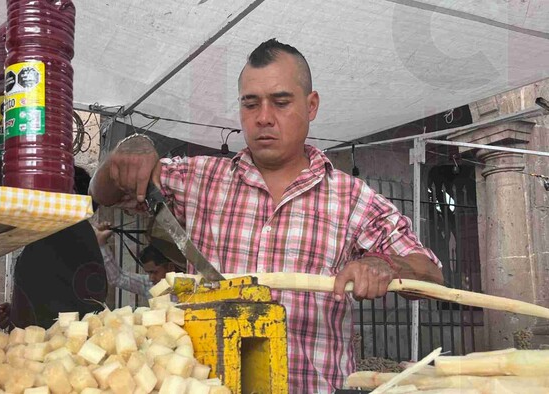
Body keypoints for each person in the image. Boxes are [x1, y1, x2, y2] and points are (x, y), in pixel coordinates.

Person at [90, 38, 444, 392]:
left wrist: (388, 266)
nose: (263, 118)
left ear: (312, 105)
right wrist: (129, 149)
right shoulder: (199, 180)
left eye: (281, 102)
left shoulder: (353, 199)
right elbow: (103, 193)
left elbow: (431, 276)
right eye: (250, 103)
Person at [0, 167, 108, 330]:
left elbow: (71, 310)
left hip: (52, 348)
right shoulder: (56, 233)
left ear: (68, 192)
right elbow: (52, 291)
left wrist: (21, 317)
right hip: (41, 343)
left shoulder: (68, 231)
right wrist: (15, 311)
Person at [95, 221, 180, 297]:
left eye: (154, 272)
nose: (151, 278)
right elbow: (118, 278)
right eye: (148, 273)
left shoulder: (191, 283)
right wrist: (101, 244)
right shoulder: (150, 285)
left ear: (170, 267)